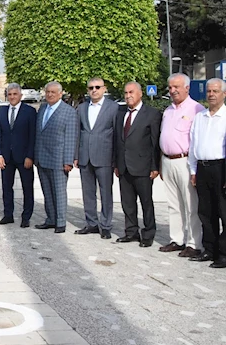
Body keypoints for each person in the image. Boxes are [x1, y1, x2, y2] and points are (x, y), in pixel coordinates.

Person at [159, 73, 206, 258]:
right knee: (173, 204)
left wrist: (195, 169)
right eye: (170, 87)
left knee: (190, 204)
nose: (173, 90)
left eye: (176, 87)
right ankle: (176, 239)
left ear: (187, 87)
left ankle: (194, 243)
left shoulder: (196, 109)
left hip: (185, 161)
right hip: (167, 160)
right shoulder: (168, 110)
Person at [114, 82, 161, 247]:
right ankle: (131, 232)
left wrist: (155, 167)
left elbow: (155, 143)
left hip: (143, 166)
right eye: (126, 93)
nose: (128, 96)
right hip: (124, 165)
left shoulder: (152, 114)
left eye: (131, 92)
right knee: (127, 202)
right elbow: (117, 141)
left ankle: (148, 234)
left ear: (140, 93)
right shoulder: (120, 114)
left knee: (146, 202)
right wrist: (116, 164)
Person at [75, 78, 120, 239]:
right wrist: (76, 156)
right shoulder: (82, 108)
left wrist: (116, 159)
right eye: (90, 88)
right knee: (88, 193)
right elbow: (77, 133)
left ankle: (106, 225)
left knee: (105, 193)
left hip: (105, 157)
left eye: (97, 87)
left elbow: (117, 135)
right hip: (85, 156)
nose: (94, 90)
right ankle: (91, 223)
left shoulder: (113, 108)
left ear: (104, 88)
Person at [188, 78, 226, 268]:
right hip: (202, 168)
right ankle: (209, 250)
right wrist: (193, 170)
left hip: (221, 168)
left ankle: (224, 254)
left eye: (216, 91)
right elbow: (194, 145)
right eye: (209, 91)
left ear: (224, 94)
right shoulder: (200, 117)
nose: (211, 94)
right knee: (206, 212)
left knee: (223, 212)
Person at [34, 81, 79, 234]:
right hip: (42, 158)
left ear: (60, 94)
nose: (50, 94)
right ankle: (50, 219)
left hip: (59, 160)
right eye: (48, 92)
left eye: (53, 92)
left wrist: (68, 160)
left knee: (59, 192)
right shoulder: (42, 109)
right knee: (47, 191)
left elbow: (71, 137)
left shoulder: (68, 112)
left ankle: (60, 222)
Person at [0, 83, 36, 228]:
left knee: (27, 188)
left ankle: (26, 217)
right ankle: (8, 215)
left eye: (15, 94)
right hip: (6, 157)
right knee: (6, 187)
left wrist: (30, 156)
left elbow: (33, 135)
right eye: (9, 94)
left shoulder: (29, 111)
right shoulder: (1, 111)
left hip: (24, 157)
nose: (12, 97)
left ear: (20, 95)